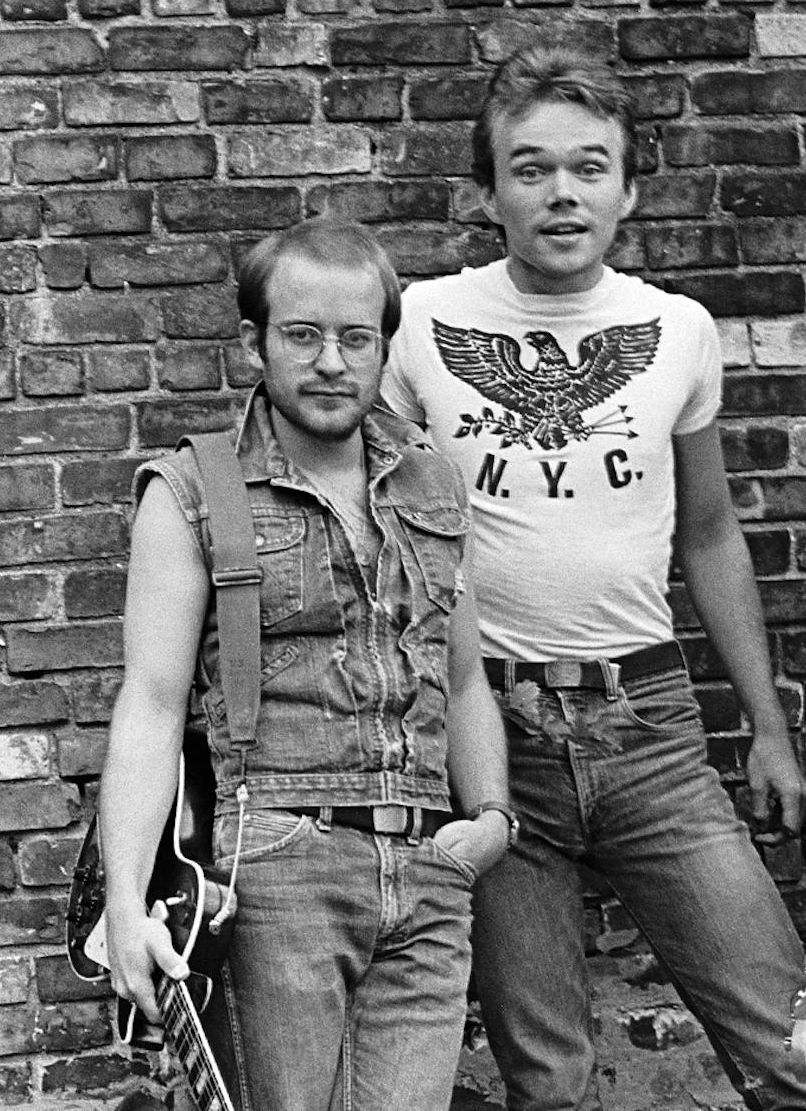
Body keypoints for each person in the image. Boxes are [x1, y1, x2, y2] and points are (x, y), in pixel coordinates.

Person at [382, 39, 806, 1111]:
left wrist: (769, 729)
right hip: (490, 747)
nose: (563, 192)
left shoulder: (676, 331)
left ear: (628, 188)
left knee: (794, 1049)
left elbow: (707, 532)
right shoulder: (418, 325)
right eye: (533, 167)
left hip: (649, 728)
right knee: (549, 1084)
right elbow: (381, 536)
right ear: (489, 191)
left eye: (589, 166)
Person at [98, 217, 514, 1111]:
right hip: (280, 861)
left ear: (383, 347)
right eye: (303, 334)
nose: (332, 360)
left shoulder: (434, 483)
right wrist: (126, 905)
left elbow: (467, 676)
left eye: (356, 337)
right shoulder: (192, 491)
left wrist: (492, 822)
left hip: (431, 866)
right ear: (256, 343)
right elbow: (151, 703)